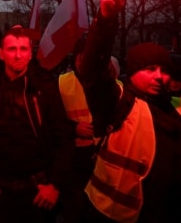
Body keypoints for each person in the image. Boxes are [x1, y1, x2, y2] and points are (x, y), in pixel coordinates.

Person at [76, 0, 181, 222]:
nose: (160, 76)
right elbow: (92, 71)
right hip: (120, 216)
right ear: (131, 73)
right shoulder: (118, 103)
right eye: (150, 69)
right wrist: (105, 21)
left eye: (164, 70)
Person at [0, 25, 74, 223]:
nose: (18, 55)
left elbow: (64, 137)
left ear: (30, 53)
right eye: (12, 49)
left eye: (23, 49)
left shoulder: (43, 86)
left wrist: (55, 184)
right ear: (1, 53)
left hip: (36, 190)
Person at [57, 38, 121, 223]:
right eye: (85, 57)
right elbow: (50, 121)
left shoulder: (115, 87)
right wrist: (74, 128)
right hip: (73, 160)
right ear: (77, 58)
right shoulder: (60, 84)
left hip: (105, 160)